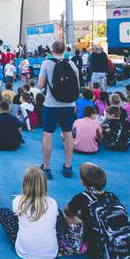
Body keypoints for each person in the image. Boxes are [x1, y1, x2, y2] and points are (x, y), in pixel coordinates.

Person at [37, 40, 80, 179]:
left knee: (47, 134)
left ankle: (46, 167)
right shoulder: (71, 64)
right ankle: (68, 166)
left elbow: (40, 84)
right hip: (68, 105)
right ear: (64, 50)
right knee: (68, 134)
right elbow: (77, 86)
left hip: (51, 105)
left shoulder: (47, 63)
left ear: (52, 50)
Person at [0, 166, 58, 259]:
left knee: (3, 212)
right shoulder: (52, 203)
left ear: (25, 184)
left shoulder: (18, 201)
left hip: (24, 251)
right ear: (44, 185)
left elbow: (16, 215)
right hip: (50, 253)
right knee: (58, 214)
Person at [62, 162, 109, 259]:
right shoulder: (111, 196)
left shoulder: (82, 198)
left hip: (96, 250)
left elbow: (67, 211)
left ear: (83, 182)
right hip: (109, 237)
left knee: (64, 215)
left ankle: (74, 242)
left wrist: (80, 213)